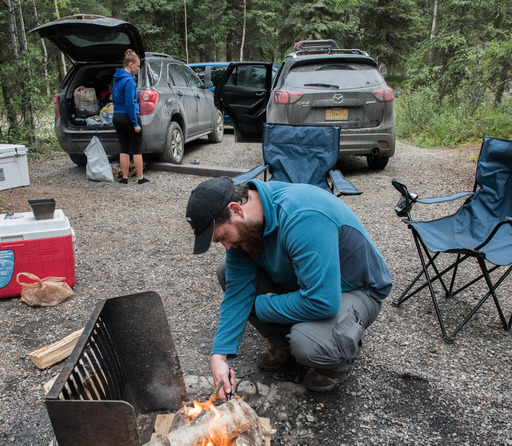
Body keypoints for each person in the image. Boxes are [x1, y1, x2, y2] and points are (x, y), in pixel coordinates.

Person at [185, 177, 392, 396]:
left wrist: (264, 305)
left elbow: (322, 302)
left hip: (354, 289)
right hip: (306, 283)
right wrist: (219, 355)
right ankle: (282, 341)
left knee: (308, 343)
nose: (227, 245)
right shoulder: (248, 225)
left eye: (224, 236)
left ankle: (335, 363)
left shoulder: (301, 216)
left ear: (236, 209)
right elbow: (237, 290)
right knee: (226, 271)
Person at [113, 49, 149, 185]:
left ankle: (124, 178)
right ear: (131, 64)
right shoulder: (129, 81)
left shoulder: (117, 78)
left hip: (117, 117)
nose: (138, 69)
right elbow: (129, 103)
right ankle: (140, 178)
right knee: (136, 148)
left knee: (124, 148)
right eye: (138, 66)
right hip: (128, 117)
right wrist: (135, 123)